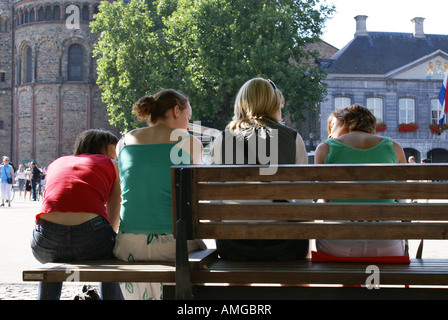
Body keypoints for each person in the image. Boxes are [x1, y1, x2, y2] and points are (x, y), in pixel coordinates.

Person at [113, 89, 206, 300]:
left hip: (128, 246)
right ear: (176, 111)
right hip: (174, 246)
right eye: (188, 117)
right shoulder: (189, 142)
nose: (188, 125)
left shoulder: (124, 142)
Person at [210, 77, 310, 261]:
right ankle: (294, 289)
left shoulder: (223, 138)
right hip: (283, 245)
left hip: (234, 245)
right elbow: (304, 200)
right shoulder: (293, 138)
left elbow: (214, 204)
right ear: (274, 103)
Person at [31, 129, 123, 300]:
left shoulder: (57, 162)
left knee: (53, 264)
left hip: (45, 241)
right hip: (91, 239)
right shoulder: (113, 165)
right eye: (114, 152)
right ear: (103, 150)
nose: (117, 157)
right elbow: (113, 220)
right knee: (112, 255)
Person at [314, 104, 407, 257]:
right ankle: (373, 280)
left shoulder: (325, 148)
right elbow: (401, 196)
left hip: (340, 242)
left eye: (333, 128)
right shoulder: (394, 147)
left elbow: (326, 201)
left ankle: (348, 282)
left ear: (347, 121)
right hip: (386, 242)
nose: (330, 135)